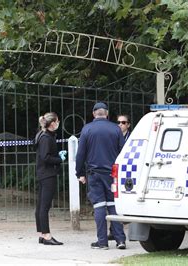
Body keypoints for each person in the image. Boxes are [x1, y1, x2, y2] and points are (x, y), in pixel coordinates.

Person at [76, 102, 126, 250]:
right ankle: (120, 240)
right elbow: (123, 152)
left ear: (93, 114)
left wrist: (79, 173)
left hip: (95, 174)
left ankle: (102, 242)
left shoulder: (87, 129)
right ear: (107, 113)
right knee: (113, 206)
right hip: (112, 174)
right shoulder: (116, 129)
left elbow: (80, 154)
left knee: (99, 206)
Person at [34, 112, 66, 245]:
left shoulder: (44, 135)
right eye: (57, 121)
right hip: (48, 174)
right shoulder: (46, 137)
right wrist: (59, 159)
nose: (58, 123)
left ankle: (42, 234)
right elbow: (45, 157)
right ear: (53, 123)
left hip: (44, 173)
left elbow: (45, 154)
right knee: (44, 206)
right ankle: (46, 235)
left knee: (41, 205)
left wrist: (57, 154)